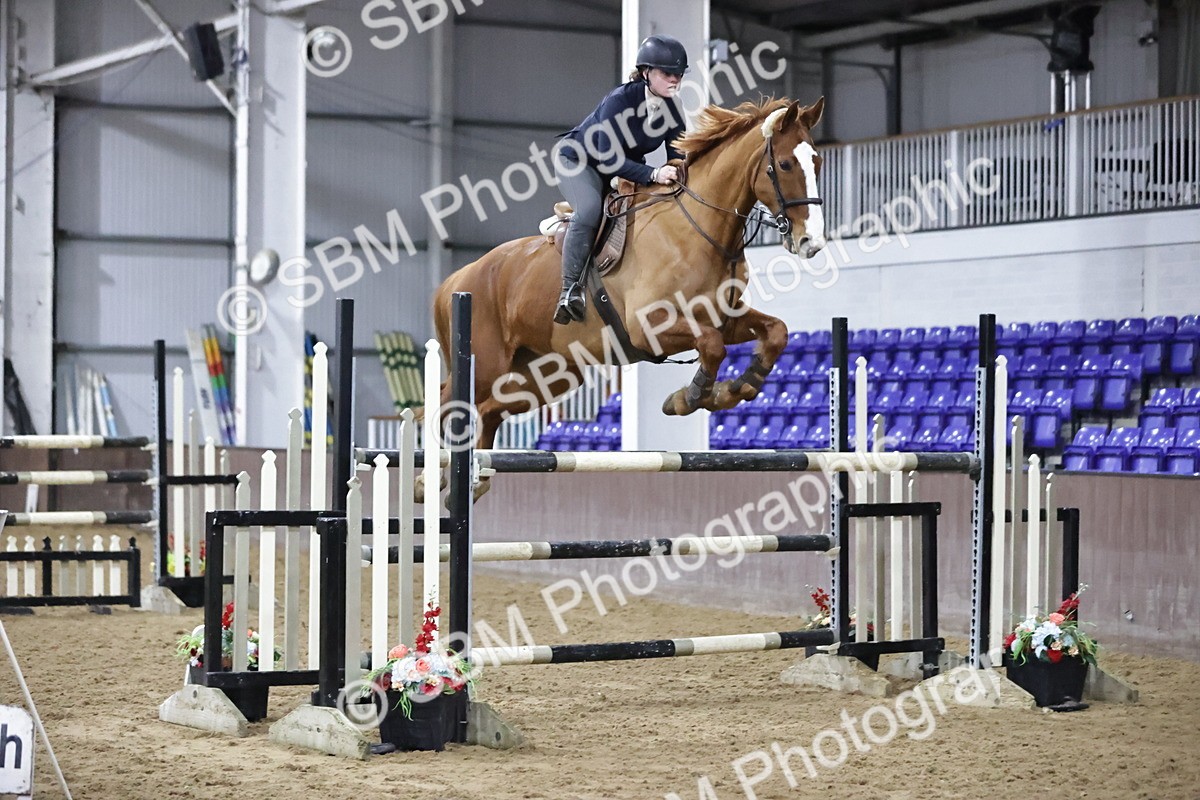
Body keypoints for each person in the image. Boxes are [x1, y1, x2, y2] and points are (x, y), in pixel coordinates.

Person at [552, 34, 689, 325]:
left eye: (678, 75)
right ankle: (569, 291)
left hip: (621, 170)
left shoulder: (673, 109)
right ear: (646, 73)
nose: (674, 80)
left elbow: (678, 154)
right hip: (580, 161)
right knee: (589, 209)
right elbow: (607, 158)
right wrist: (653, 174)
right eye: (667, 74)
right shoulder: (620, 101)